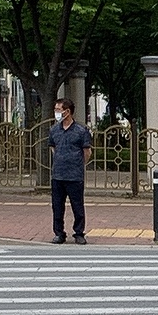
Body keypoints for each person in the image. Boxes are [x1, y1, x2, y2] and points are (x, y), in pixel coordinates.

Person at [48, 97, 92, 244]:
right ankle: (59, 233)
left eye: (58, 109)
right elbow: (53, 147)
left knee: (77, 206)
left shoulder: (81, 131)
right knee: (57, 206)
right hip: (58, 175)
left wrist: (78, 164)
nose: (56, 112)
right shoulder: (54, 130)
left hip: (74, 175)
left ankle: (79, 233)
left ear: (67, 111)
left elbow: (87, 151)